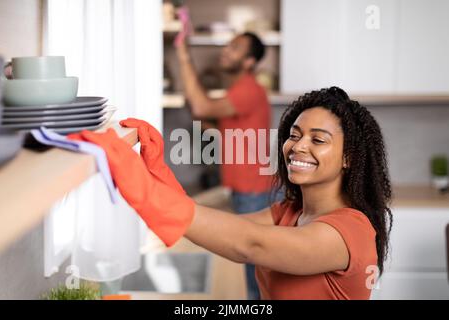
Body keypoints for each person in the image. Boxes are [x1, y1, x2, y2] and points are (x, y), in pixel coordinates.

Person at [69, 86, 393, 299]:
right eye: (295, 135)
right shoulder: (290, 212)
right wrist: (154, 168)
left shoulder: (346, 232)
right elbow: (219, 230)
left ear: (349, 157)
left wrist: (132, 174)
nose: (298, 146)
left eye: (318, 140)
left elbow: (249, 245)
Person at [175, 32, 272, 299]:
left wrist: (183, 55)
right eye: (229, 45)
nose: (227, 50)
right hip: (249, 189)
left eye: (236, 48)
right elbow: (215, 124)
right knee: (255, 267)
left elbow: (203, 107)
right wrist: (198, 107)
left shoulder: (248, 90)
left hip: (255, 191)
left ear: (249, 62)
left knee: (255, 269)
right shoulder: (238, 91)